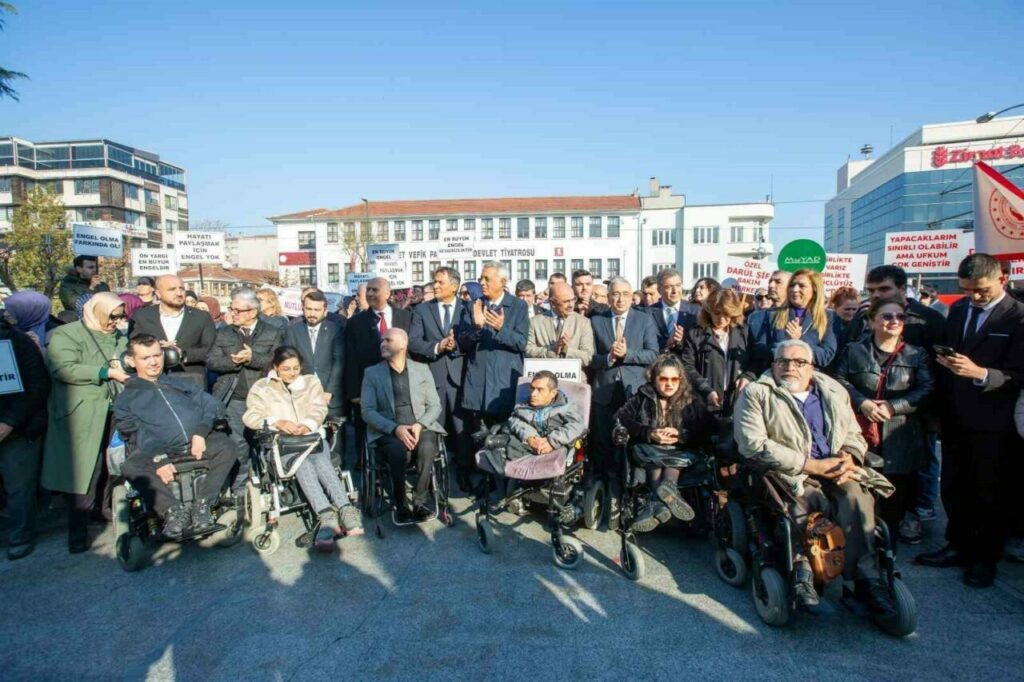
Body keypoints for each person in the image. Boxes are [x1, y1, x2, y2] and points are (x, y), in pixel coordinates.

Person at [733, 339, 895, 615]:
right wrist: (811, 466)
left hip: (836, 467)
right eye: (783, 361)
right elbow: (753, 444)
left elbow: (854, 433)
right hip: (788, 471)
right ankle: (803, 569)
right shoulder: (756, 393)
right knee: (808, 501)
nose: (790, 367)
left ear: (812, 367)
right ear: (773, 365)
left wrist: (849, 457)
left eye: (799, 362)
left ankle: (867, 580)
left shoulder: (833, 390)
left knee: (857, 498)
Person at [916, 254, 1024, 588]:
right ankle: (958, 545)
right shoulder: (960, 309)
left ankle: (985, 559)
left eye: (981, 290)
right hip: (955, 416)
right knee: (954, 486)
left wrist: (981, 373)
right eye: (967, 290)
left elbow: (1018, 374)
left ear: (1001, 279)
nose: (974, 297)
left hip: (995, 423)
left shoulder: (1018, 316)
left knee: (990, 493)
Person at [841, 265, 947, 522]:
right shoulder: (859, 324)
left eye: (884, 289)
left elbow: (933, 378)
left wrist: (897, 406)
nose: (876, 295)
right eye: (871, 290)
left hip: (910, 418)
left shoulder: (928, 320)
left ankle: (914, 514)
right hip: (864, 420)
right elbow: (842, 373)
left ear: (902, 289)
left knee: (911, 475)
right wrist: (862, 402)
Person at [114, 335, 237, 540]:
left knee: (228, 446)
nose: (153, 362)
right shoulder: (126, 398)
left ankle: (204, 505)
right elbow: (134, 432)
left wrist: (201, 431)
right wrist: (159, 456)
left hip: (195, 442)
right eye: (145, 358)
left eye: (157, 355)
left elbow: (212, 404)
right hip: (155, 449)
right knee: (131, 466)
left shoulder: (182, 384)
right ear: (132, 361)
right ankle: (173, 512)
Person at [835, 296, 934, 544]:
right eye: (887, 316)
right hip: (861, 432)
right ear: (872, 321)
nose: (894, 321)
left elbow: (926, 389)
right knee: (860, 491)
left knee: (894, 497)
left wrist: (893, 407)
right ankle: (862, 543)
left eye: (900, 317)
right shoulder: (854, 350)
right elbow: (839, 381)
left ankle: (888, 546)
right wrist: (863, 402)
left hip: (900, 436)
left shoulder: (916, 354)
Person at [244, 346, 363, 549]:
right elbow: (250, 416)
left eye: (296, 368)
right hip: (282, 444)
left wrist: (307, 424)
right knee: (302, 463)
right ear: (275, 367)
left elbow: (319, 408)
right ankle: (326, 515)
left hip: (311, 439)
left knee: (319, 459)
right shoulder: (262, 387)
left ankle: (345, 509)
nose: (292, 373)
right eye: (286, 369)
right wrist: (277, 422)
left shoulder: (310, 382)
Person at [41, 293, 129, 553]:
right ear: (97, 311)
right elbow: (63, 368)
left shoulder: (119, 336)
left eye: (120, 316)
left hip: (114, 409)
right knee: (84, 471)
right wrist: (105, 372)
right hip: (82, 413)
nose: (117, 321)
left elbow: (126, 359)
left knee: (111, 463)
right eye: (112, 316)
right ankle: (77, 529)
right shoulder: (66, 335)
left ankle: (102, 510)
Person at [616, 354, 718, 531]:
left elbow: (709, 428)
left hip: (680, 451)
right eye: (663, 379)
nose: (669, 384)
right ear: (654, 378)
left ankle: (656, 503)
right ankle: (668, 492)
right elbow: (621, 418)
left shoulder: (691, 399)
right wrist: (650, 433)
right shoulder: (643, 396)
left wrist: (681, 435)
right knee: (654, 459)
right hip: (649, 449)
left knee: (672, 460)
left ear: (680, 379)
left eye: (674, 379)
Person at [590, 277, 659, 526]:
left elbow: (653, 353)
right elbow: (590, 356)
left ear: (632, 297)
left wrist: (627, 354)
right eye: (615, 294)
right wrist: (608, 358)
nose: (620, 299)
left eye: (625, 294)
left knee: (632, 445)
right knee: (603, 443)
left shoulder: (644, 319)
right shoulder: (596, 320)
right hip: (605, 391)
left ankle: (632, 494)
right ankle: (603, 493)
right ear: (608, 297)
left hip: (634, 392)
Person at [456, 262, 529, 487]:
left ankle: (506, 484)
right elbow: (462, 343)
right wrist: (477, 328)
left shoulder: (517, 306)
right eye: (481, 278)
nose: (482, 282)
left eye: (487, 279)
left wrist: (500, 329)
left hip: (504, 383)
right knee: (480, 437)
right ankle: (485, 483)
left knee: (504, 436)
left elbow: (521, 343)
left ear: (502, 282)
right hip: (478, 383)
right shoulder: (473, 306)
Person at [207, 288, 285, 495]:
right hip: (233, 399)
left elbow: (278, 361)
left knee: (266, 443)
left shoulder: (272, 331)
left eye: (237, 310)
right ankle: (239, 490)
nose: (232, 313)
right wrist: (232, 361)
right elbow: (211, 361)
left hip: (263, 398)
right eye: (231, 309)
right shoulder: (223, 332)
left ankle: (269, 486)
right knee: (239, 445)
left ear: (252, 312)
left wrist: (252, 359)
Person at [362, 328, 446, 522]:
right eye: (382, 340)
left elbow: (435, 405)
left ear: (402, 345)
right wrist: (395, 429)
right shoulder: (372, 373)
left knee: (427, 447)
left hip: (420, 426)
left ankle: (420, 501)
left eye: (388, 340)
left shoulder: (422, 369)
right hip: (389, 430)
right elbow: (367, 411)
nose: (382, 344)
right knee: (398, 451)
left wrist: (420, 425)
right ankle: (400, 503)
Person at [0, 314, 50, 559]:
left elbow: (37, 386)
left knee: (19, 487)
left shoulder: (17, 341)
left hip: (18, 429)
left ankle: (20, 536)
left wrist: (8, 423)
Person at [408, 267, 465, 462]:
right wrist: (438, 347)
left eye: (441, 282)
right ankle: (433, 470)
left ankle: (464, 471)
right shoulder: (422, 310)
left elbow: (474, 339)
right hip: (433, 377)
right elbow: (413, 342)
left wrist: (456, 344)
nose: (435, 286)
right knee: (433, 428)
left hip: (461, 378)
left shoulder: (467, 308)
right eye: (435, 281)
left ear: (454, 287)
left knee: (462, 429)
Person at [480, 371, 585, 474]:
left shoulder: (566, 407)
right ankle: (499, 448)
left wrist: (551, 442)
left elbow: (577, 425)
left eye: (540, 390)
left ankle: (501, 444)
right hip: (531, 444)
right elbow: (515, 420)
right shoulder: (523, 406)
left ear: (553, 393)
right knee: (510, 428)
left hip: (556, 445)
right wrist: (530, 437)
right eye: (532, 388)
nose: (533, 394)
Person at [130, 275, 217, 390]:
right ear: (158, 293)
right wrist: (157, 348)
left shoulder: (201, 317)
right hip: (152, 384)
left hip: (191, 383)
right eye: (172, 289)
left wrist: (182, 354)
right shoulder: (142, 316)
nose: (179, 293)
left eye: (181, 288)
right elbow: (132, 346)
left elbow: (212, 349)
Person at [747, 268, 837, 376]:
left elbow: (825, 357)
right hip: (777, 376)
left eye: (801, 286)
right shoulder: (773, 314)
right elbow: (760, 349)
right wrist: (786, 346)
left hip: (810, 378)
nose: (794, 289)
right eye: (792, 285)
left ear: (815, 289)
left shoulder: (829, 317)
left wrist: (800, 340)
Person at [679, 288, 753, 417]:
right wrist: (705, 389)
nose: (722, 319)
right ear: (709, 311)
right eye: (717, 313)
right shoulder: (695, 334)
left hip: (736, 400)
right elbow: (687, 366)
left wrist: (747, 376)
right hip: (704, 401)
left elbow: (755, 361)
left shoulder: (744, 333)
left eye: (726, 314)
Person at [343, 277, 412, 413]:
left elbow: (413, 352)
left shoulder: (406, 317)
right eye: (368, 290)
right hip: (369, 388)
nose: (369, 294)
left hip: (402, 385)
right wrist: (354, 392)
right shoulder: (355, 323)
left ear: (387, 294)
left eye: (375, 290)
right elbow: (351, 358)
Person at [284, 289, 345, 419]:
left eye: (317, 310)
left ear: (325, 311)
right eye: (309, 309)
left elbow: (339, 362)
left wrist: (329, 391)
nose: (312, 314)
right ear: (303, 308)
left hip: (331, 397)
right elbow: (289, 361)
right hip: (302, 397)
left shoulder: (336, 330)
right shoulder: (293, 330)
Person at [525, 281, 595, 368]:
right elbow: (527, 350)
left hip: (572, 375)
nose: (571, 305)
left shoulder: (583, 322)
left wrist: (566, 350)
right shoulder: (535, 322)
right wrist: (551, 351)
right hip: (544, 373)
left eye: (573, 300)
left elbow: (588, 357)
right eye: (566, 301)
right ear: (552, 303)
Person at [648, 269, 698, 353]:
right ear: (659, 290)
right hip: (658, 359)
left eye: (678, 285)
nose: (675, 291)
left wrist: (682, 341)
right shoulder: (648, 313)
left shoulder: (695, 311)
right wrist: (666, 345)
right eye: (669, 287)